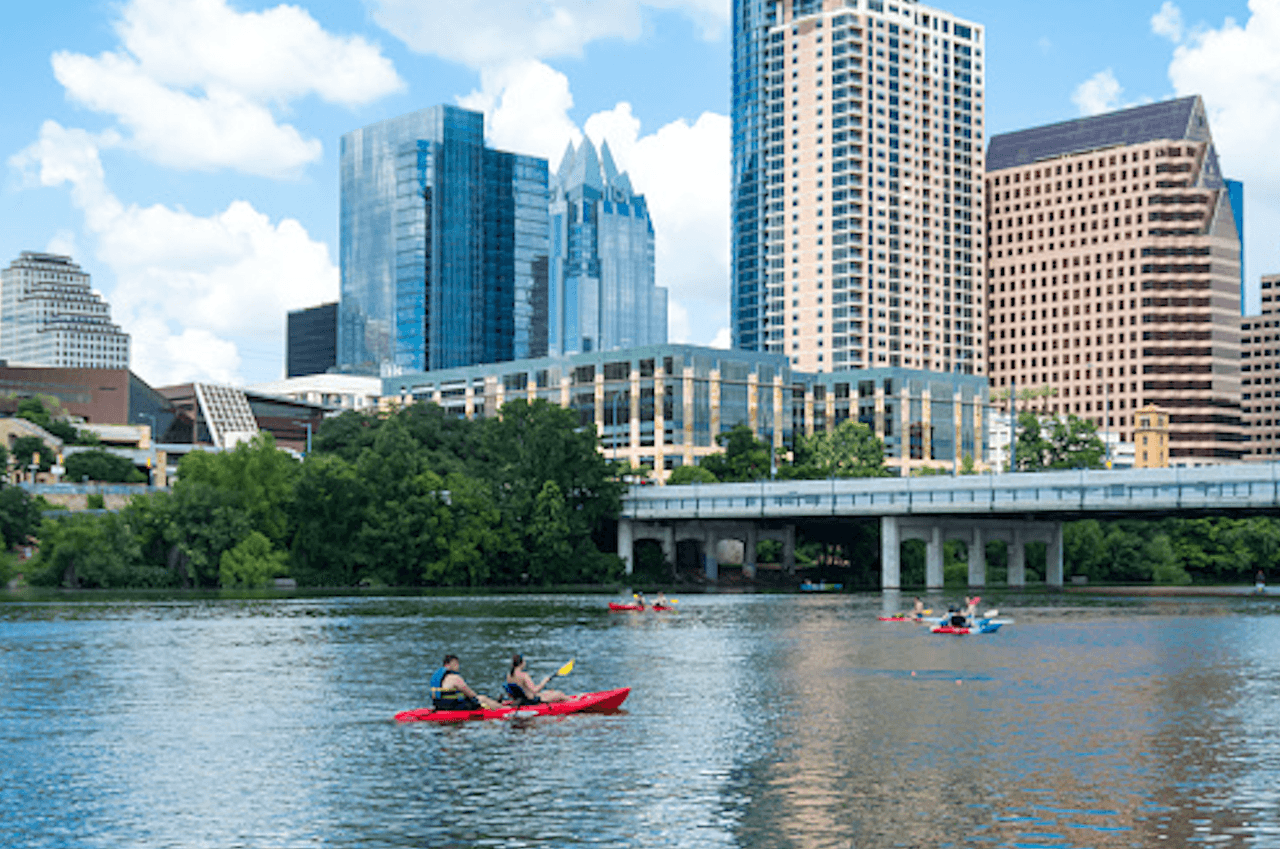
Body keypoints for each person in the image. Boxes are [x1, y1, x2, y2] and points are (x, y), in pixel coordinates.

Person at [429, 654, 499, 711]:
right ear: (452, 663)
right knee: (482, 698)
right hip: (453, 708)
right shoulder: (454, 677)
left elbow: (434, 696)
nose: (458, 666)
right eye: (456, 664)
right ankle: (504, 709)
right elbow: (471, 694)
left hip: (439, 707)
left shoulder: (436, 676)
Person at [504, 654, 570, 705]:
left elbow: (512, 693)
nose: (525, 663)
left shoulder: (509, 675)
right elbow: (535, 690)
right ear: (521, 663)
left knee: (550, 692)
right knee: (560, 694)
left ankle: (569, 698)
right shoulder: (524, 675)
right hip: (532, 700)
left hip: (521, 699)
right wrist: (544, 682)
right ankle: (574, 701)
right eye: (524, 661)